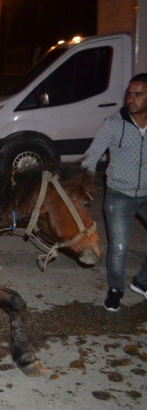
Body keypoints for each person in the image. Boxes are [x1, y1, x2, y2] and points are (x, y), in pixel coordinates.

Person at [82, 73, 147, 311]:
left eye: (138, 94)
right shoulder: (113, 123)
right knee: (119, 246)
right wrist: (82, 184)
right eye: (129, 94)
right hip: (120, 193)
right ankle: (116, 289)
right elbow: (92, 155)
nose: (131, 99)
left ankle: (142, 282)